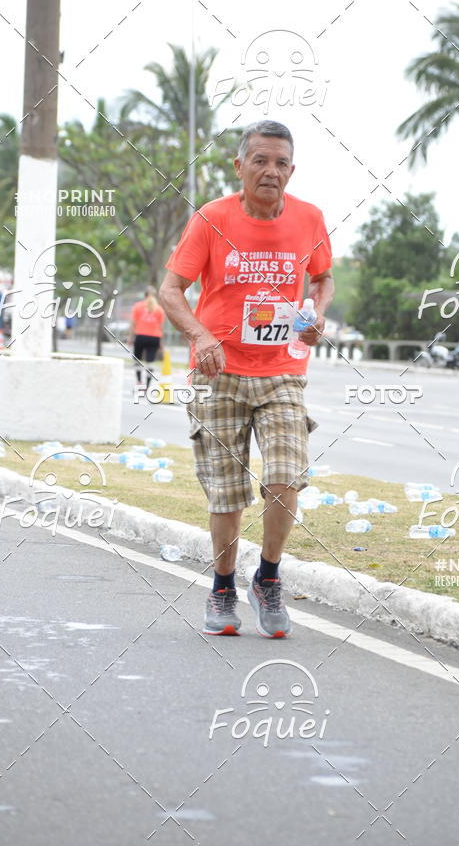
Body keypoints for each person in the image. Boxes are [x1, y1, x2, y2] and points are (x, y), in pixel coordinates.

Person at [159, 119, 334, 638]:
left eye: (281, 163)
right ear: (240, 167)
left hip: (282, 371)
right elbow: (171, 290)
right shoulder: (212, 218)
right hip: (218, 373)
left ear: (291, 170)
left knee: (285, 477)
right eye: (260, 160)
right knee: (227, 492)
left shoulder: (309, 218)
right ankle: (222, 587)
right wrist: (200, 336)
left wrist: (317, 314)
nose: (270, 171)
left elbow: (322, 278)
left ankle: (268, 577)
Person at [127, 286, 165, 392]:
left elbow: (133, 324)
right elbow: (160, 327)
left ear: (145, 295)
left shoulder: (137, 306)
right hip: (155, 338)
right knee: (150, 362)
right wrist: (161, 343)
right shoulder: (159, 309)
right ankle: (147, 386)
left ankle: (139, 383)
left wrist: (130, 337)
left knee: (137, 360)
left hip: (140, 336)